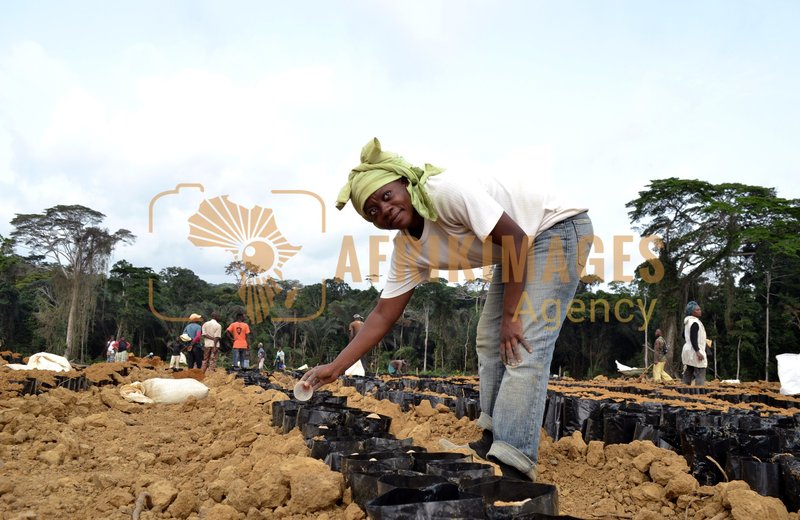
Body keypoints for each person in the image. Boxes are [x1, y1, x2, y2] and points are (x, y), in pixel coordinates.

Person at [300, 138, 593, 482]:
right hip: (514, 248)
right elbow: (382, 315)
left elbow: (515, 238)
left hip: (554, 230)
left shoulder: (444, 193)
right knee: (489, 339)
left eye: (386, 195)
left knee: (523, 342)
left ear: (405, 183)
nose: (384, 209)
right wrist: (336, 368)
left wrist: (513, 317)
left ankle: (514, 463)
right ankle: (491, 438)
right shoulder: (407, 248)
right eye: (372, 212)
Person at [682, 301, 709, 386]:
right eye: (697, 310)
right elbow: (693, 338)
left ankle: (685, 391)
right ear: (692, 312)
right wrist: (698, 351)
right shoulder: (695, 323)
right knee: (700, 371)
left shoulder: (688, 322)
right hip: (695, 350)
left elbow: (684, 335)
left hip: (687, 349)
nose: (700, 311)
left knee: (688, 372)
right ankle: (699, 393)